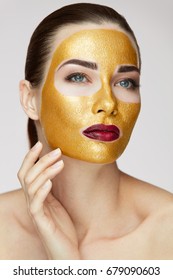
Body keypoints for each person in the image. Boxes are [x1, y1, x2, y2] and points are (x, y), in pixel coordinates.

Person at [0, 2, 173, 260]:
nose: (108, 104)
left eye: (125, 82)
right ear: (30, 99)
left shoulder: (166, 228)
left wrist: (69, 267)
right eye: (78, 77)